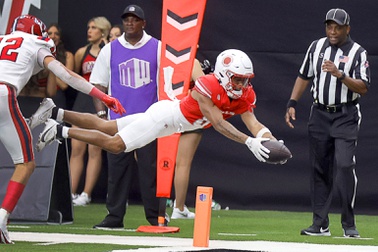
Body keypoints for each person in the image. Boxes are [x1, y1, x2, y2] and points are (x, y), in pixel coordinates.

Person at [36, 49, 279, 192]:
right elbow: (218, 123)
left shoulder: (245, 94)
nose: (242, 85)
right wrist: (249, 142)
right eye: (237, 79)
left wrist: (267, 139)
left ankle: (55, 112)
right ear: (224, 75)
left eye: (245, 80)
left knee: (107, 126)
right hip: (165, 119)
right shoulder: (207, 85)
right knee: (116, 144)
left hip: (171, 118)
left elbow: (254, 123)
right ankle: (60, 131)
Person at [0, 14, 124, 244]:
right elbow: (66, 75)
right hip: (3, 94)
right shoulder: (35, 43)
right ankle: (1, 219)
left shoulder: (3, 39)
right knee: (26, 164)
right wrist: (102, 96)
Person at [284, 8, 370, 238]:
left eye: (337, 27)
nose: (332, 31)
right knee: (319, 169)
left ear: (347, 29)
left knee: (343, 165)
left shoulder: (358, 52)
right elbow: (304, 75)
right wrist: (292, 102)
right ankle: (320, 224)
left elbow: (363, 87)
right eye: (329, 26)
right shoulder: (316, 47)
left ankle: (348, 223)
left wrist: (339, 74)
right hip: (320, 114)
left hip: (345, 115)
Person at [91, 4, 165, 228]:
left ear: (144, 23)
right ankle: (114, 217)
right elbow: (97, 84)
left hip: (149, 120)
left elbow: (167, 81)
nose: (130, 23)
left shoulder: (157, 47)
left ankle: (156, 218)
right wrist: (103, 115)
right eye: (126, 19)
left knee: (150, 171)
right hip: (118, 121)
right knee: (117, 171)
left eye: (135, 19)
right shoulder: (111, 49)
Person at [70, 17, 111, 206]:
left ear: (103, 31)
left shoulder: (110, 50)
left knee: (95, 149)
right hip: (82, 101)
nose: (89, 30)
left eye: (94, 28)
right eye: (88, 27)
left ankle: (86, 194)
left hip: (99, 102)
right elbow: (76, 77)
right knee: (76, 149)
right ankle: (71, 192)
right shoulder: (81, 52)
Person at [171, 58, 205, 219]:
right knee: (182, 163)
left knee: (164, 162)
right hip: (186, 114)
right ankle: (177, 207)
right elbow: (204, 88)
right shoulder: (192, 62)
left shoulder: (161, 58)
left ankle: (173, 206)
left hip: (166, 113)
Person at [46, 23, 75, 109]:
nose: (53, 36)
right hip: (40, 95)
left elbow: (64, 85)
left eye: (56, 34)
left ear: (60, 38)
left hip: (57, 96)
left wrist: (49, 66)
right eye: (49, 33)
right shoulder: (38, 54)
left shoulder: (68, 56)